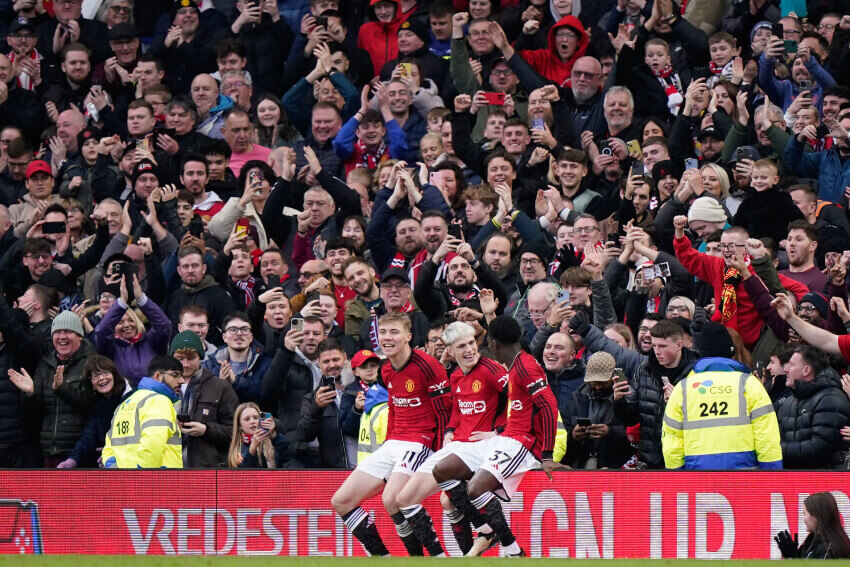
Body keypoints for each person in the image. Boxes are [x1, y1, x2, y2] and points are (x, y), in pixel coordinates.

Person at [432, 315, 561, 557]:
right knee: (441, 470)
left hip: (521, 442)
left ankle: (513, 551)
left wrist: (547, 455)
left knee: (475, 489)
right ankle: (486, 531)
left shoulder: (525, 367)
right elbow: (517, 408)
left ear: (494, 344)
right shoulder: (514, 366)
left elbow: (548, 406)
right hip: (504, 437)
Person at [331, 312, 450, 557]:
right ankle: (382, 558)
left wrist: (440, 456)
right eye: (383, 332)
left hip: (420, 442)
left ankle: (435, 556)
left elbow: (445, 413)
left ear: (408, 336)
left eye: (394, 332)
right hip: (393, 443)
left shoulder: (429, 366)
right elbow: (394, 408)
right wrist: (388, 443)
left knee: (391, 499)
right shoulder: (386, 370)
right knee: (340, 501)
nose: (388, 337)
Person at [394, 322, 509, 556]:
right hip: (458, 445)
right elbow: (457, 410)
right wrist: (449, 431)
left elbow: (521, 400)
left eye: (471, 343)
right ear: (450, 351)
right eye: (461, 346)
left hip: (481, 449)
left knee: (448, 502)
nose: (469, 349)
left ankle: (488, 532)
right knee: (405, 499)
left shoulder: (491, 370)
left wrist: (497, 431)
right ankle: (446, 556)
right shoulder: (455, 376)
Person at [661, 322, 783, 470]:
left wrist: (677, 477)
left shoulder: (683, 388)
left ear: (699, 353)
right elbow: (766, 436)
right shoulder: (749, 384)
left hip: (697, 477)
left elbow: (672, 440)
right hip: (745, 477)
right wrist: (772, 475)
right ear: (731, 352)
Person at [8, 311, 98, 467]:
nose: (62, 336)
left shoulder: (92, 362)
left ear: (79, 336)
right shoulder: (45, 364)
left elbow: (91, 405)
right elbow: (33, 414)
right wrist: (30, 393)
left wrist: (62, 388)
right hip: (49, 452)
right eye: (57, 332)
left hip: (79, 453)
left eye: (68, 331)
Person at [170, 330, 239, 469]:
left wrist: (206, 430)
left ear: (200, 357)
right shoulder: (161, 389)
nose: (185, 364)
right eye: (180, 358)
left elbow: (236, 433)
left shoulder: (220, 387)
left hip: (208, 470)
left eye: (191, 358)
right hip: (169, 469)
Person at [101, 355, 185, 469]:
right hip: (158, 482)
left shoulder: (124, 404)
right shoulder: (159, 401)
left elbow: (109, 447)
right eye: (175, 375)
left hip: (125, 482)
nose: (182, 380)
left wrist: (117, 472)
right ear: (158, 376)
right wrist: (143, 478)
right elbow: (153, 443)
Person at [92, 274, 171, 387]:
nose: (127, 325)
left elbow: (164, 325)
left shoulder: (151, 342)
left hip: (153, 400)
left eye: (131, 320)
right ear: (113, 327)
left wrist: (142, 300)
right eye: (120, 322)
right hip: (124, 402)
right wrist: (121, 303)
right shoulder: (111, 349)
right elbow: (101, 332)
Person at [57, 356, 133, 468]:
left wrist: (113, 454)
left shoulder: (132, 397)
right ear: (91, 383)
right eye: (95, 376)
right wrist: (73, 459)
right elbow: (89, 435)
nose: (101, 378)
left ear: (115, 375)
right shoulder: (99, 403)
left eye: (106, 373)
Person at [775, 492, 850, 559]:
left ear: (815, 516)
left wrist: (793, 558)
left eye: (805, 514)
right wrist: (792, 555)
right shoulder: (811, 540)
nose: (803, 519)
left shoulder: (829, 548)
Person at [228, 402, 300, 468]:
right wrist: (252, 449)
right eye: (247, 419)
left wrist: (274, 435)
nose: (252, 421)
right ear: (240, 425)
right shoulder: (238, 449)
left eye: (256, 418)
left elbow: (287, 457)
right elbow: (244, 474)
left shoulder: (272, 440)